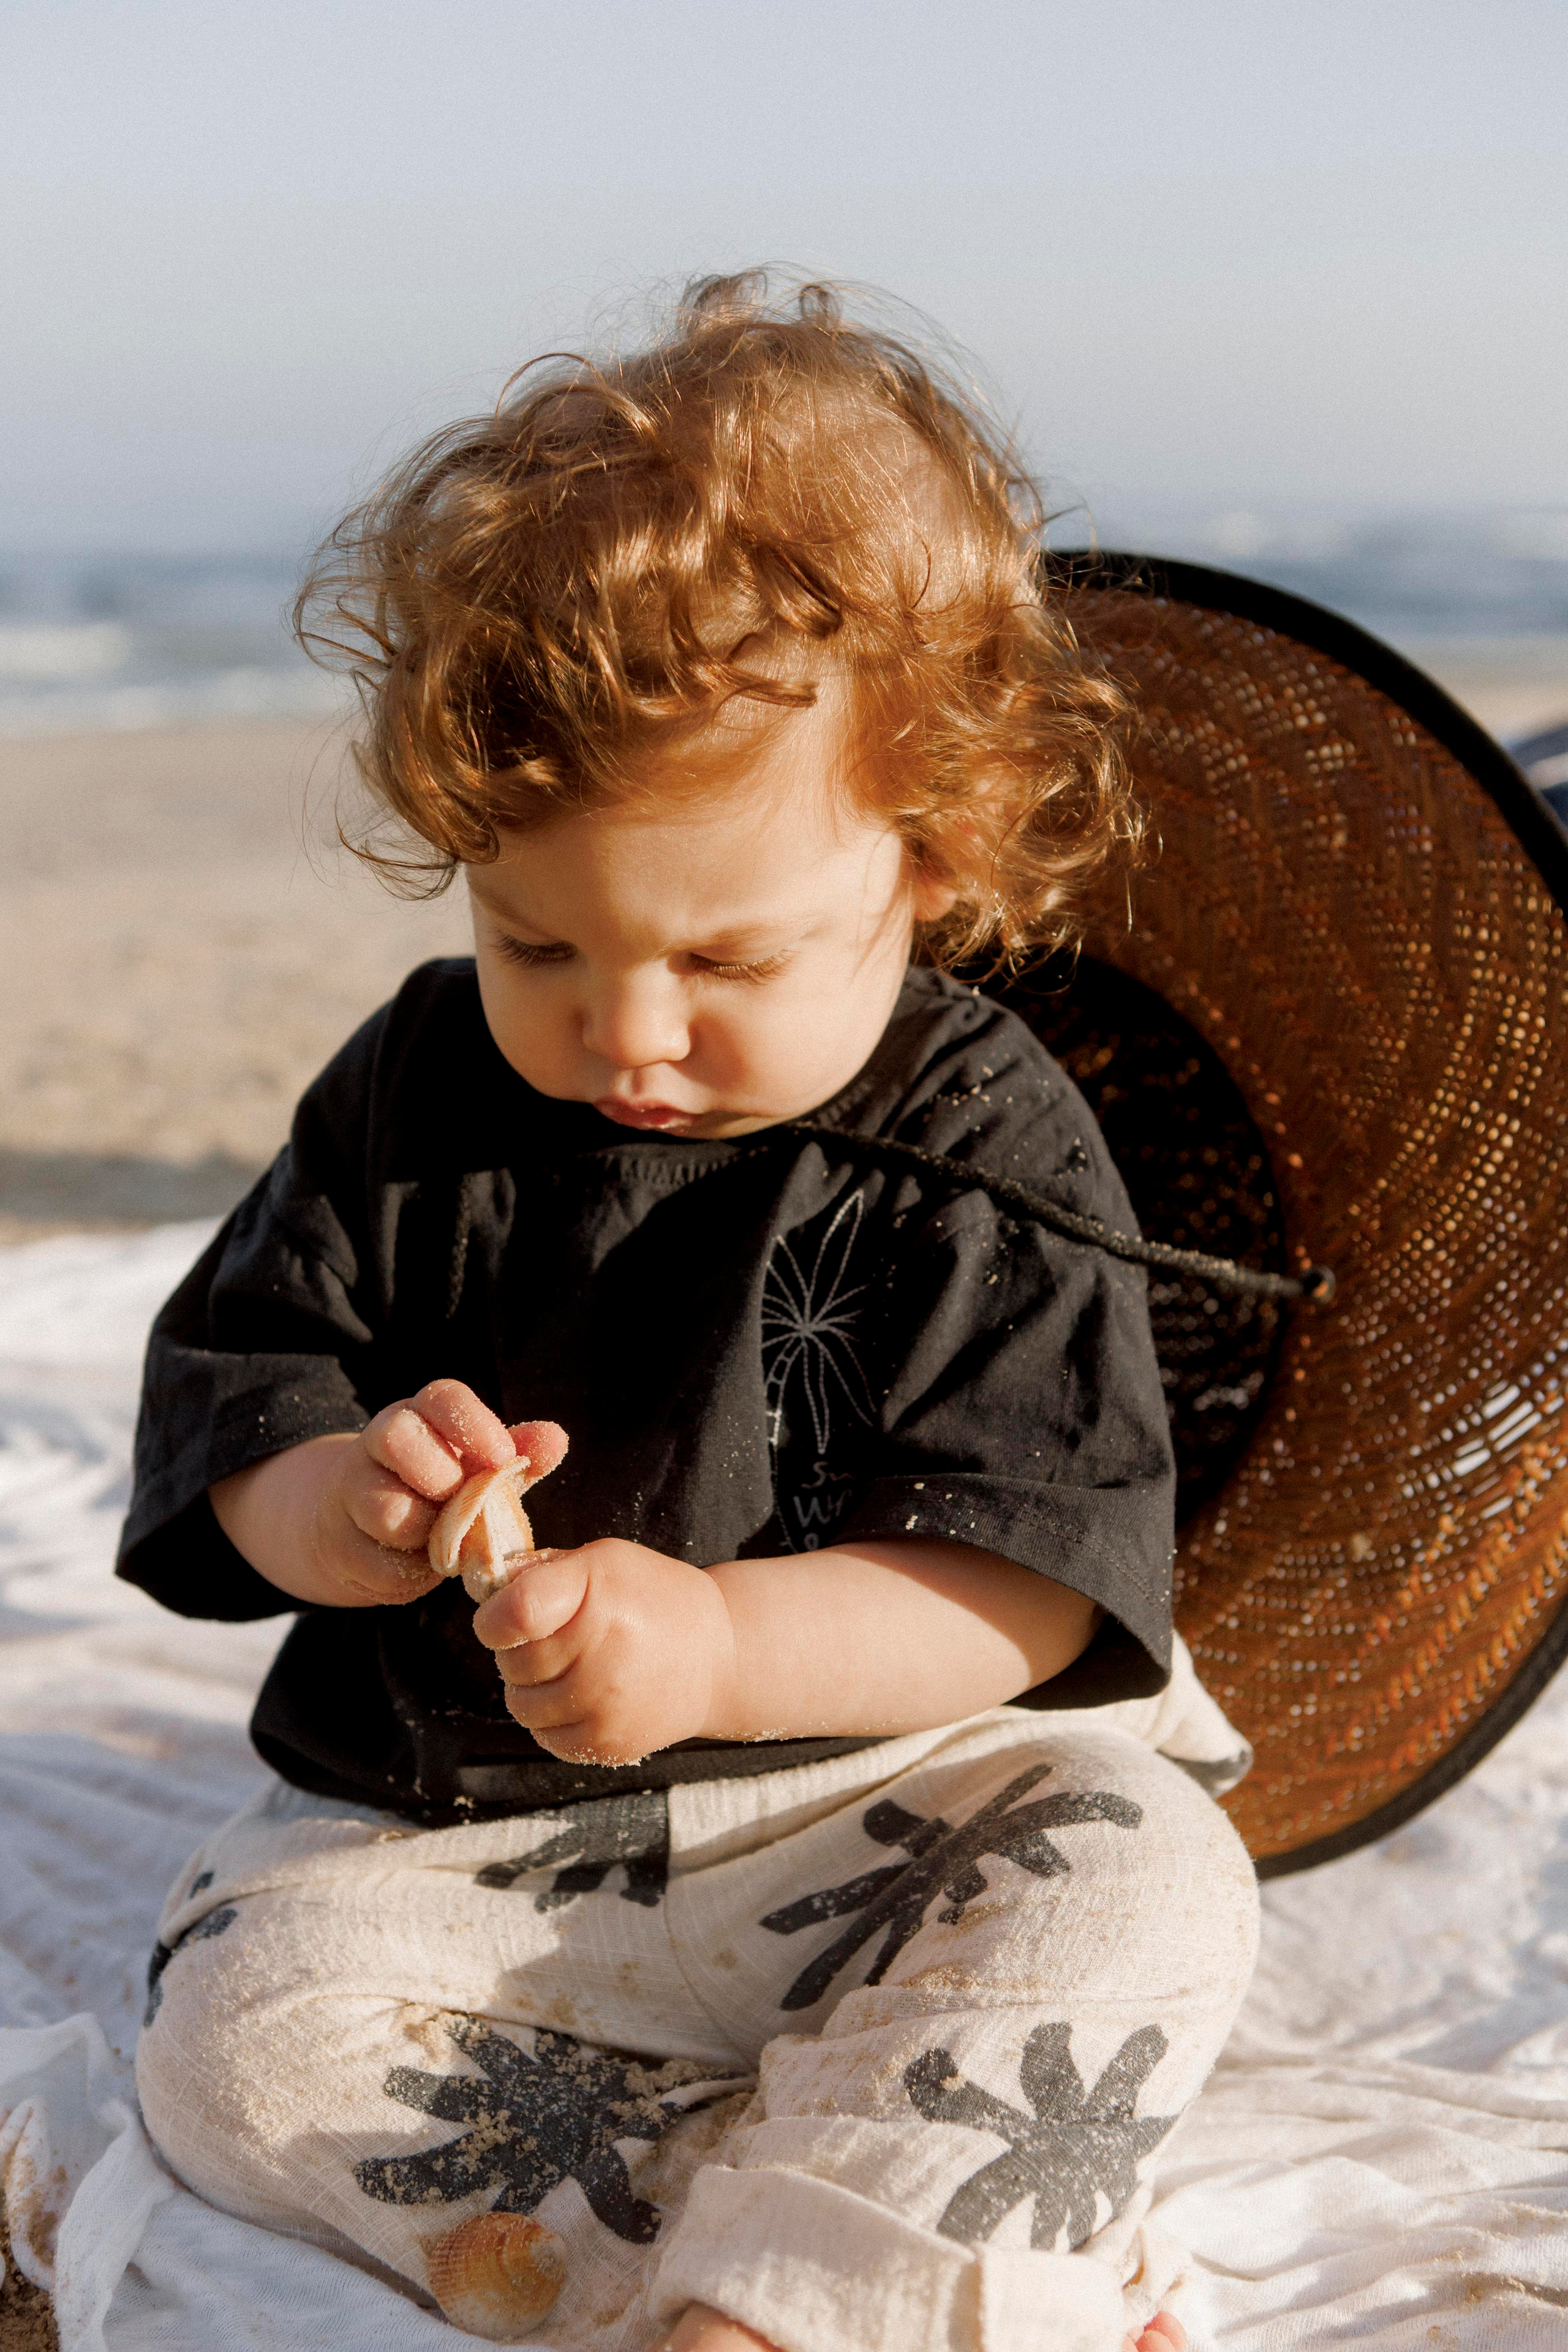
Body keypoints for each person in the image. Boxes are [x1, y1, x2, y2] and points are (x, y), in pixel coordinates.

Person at [121, 274, 1259, 2352]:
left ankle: (828, 2250)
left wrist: (720, 1643)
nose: (624, 1032)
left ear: (930, 860)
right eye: (536, 935)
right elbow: (240, 1400)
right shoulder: (415, 1088)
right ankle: (772, 2276)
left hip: (879, 1803)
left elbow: (1031, 1586)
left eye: (727, 963)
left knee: (1146, 1867)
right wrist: (343, 1510)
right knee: (229, 2040)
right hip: (468, 1853)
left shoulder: (986, 1142)